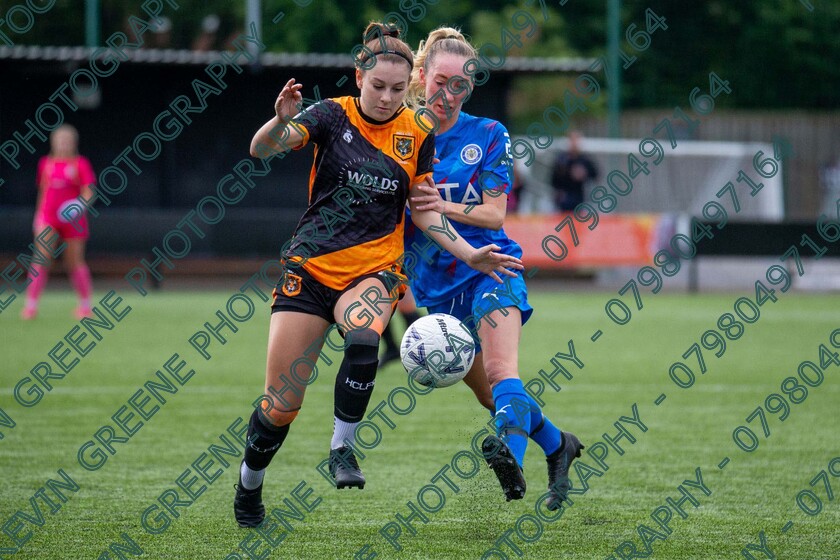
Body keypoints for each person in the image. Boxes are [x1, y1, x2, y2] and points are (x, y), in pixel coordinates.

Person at [233, 21, 524, 528]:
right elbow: (262, 150)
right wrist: (278, 123)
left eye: (396, 88)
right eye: (378, 87)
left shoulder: (417, 133)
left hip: (375, 269)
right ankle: (249, 486)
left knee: (365, 338)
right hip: (311, 266)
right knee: (279, 405)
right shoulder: (330, 115)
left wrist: (471, 255)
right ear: (358, 77)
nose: (388, 98)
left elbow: (426, 210)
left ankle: (342, 449)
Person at [404, 26, 583, 509]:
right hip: (435, 292)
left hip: (491, 267)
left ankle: (513, 462)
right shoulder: (400, 136)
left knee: (504, 371)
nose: (450, 93)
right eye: (442, 81)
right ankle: (559, 445)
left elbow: (494, 213)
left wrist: (440, 202)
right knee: (494, 399)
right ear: (421, 77)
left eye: (461, 84)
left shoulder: (487, 134)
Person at [21, 125, 96, 320]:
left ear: (74, 143)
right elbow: (43, 191)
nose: (63, 145)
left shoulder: (80, 163)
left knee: (74, 262)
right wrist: (38, 217)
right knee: (41, 259)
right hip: (48, 218)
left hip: (73, 220)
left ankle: (85, 307)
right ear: (53, 143)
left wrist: (79, 205)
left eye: (67, 141)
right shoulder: (45, 163)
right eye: (60, 141)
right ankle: (30, 306)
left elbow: (89, 192)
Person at [550, 130, 598, 211]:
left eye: (576, 140)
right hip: (564, 198)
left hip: (580, 197)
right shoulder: (561, 159)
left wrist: (584, 173)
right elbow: (553, 179)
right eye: (572, 140)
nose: (574, 143)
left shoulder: (585, 159)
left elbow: (595, 174)